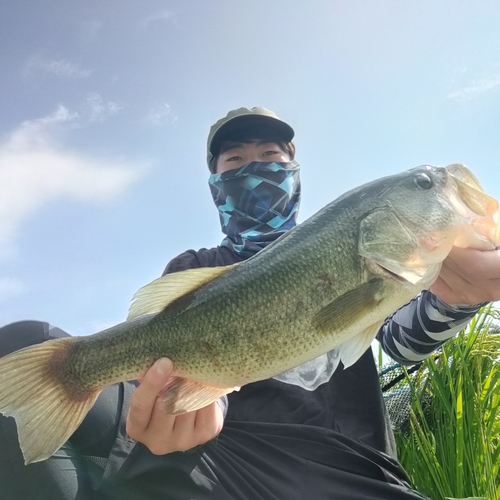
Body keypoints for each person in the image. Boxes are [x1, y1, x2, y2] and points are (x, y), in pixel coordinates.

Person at [1, 107, 499, 500]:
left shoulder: (369, 257)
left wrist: (460, 299)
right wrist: (177, 408)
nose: (255, 166)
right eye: (234, 160)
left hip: (353, 469)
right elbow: (171, 370)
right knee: (25, 344)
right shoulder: (194, 267)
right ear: (215, 182)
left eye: (270, 154)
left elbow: (396, 341)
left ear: (294, 170)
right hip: (218, 461)